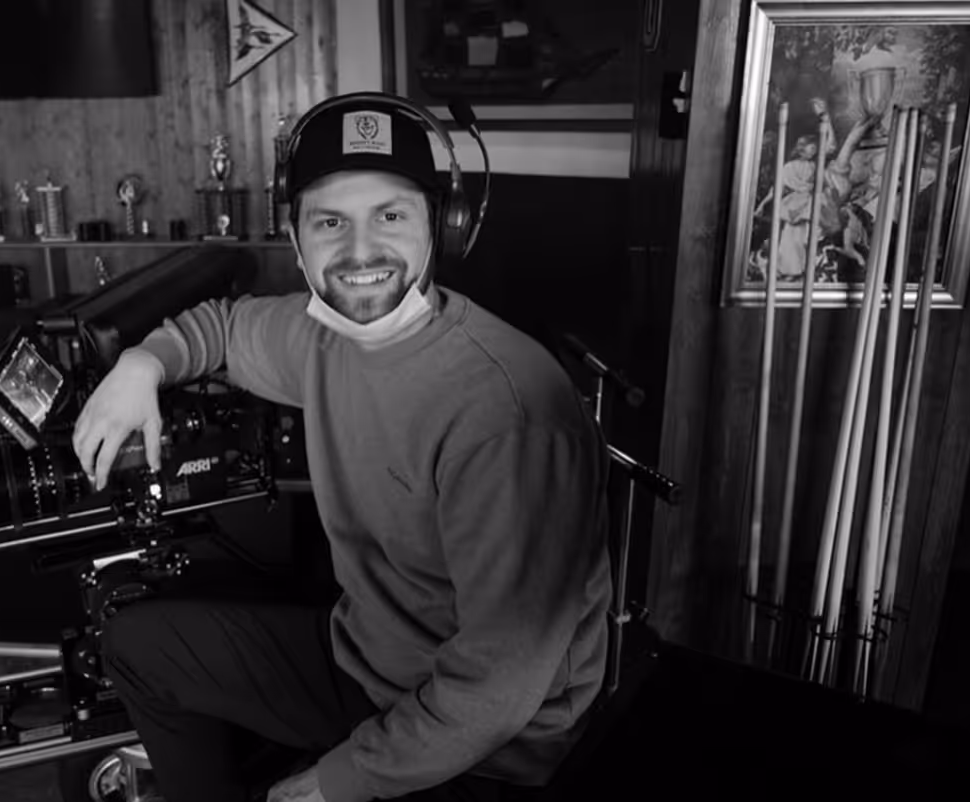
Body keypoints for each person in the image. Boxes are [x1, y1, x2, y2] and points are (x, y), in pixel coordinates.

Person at [72, 92, 612, 802]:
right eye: (330, 221)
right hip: (367, 665)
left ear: (438, 229)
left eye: (390, 215)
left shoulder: (506, 413)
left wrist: (338, 782)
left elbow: (496, 686)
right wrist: (142, 364)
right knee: (138, 648)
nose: (360, 252)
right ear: (295, 240)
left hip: (490, 744)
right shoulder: (320, 335)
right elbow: (225, 327)